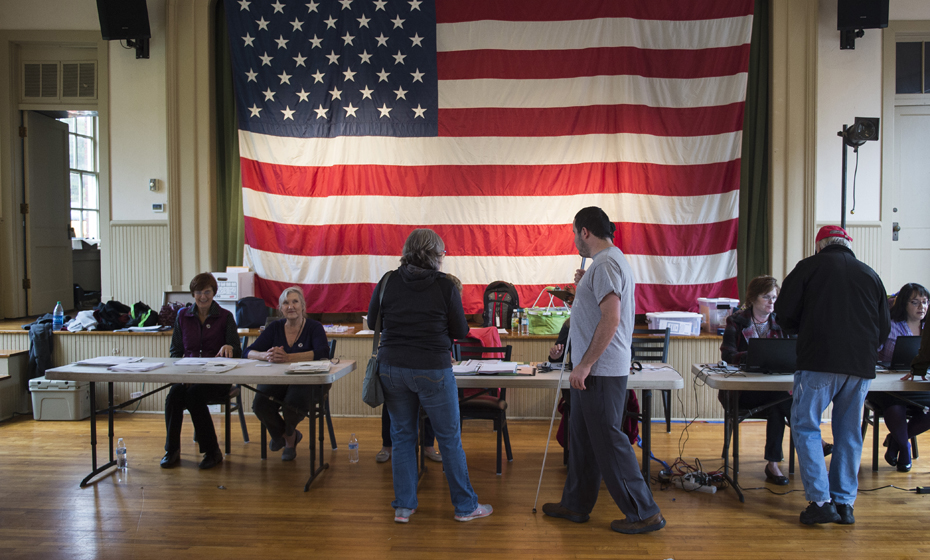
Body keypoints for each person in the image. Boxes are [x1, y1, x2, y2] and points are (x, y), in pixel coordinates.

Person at [543, 207, 665, 535]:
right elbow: (596, 312)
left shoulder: (607, 262)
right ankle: (576, 504)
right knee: (582, 438)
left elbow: (611, 318)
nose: (574, 240)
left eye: (574, 233)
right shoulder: (604, 264)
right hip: (596, 368)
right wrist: (582, 289)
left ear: (585, 231)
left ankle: (644, 512)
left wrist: (584, 365)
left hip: (600, 369)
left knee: (609, 440)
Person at [368, 228, 491, 523]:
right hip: (433, 369)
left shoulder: (387, 281)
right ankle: (465, 507)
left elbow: (374, 322)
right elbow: (460, 331)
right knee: (449, 438)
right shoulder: (445, 286)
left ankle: (404, 506)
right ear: (435, 255)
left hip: (393, 368)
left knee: (402, 436)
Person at [775, 225, 890, 525]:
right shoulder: (870, 274)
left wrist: (806, 326)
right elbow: (885, 329)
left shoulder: (808, 267)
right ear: (848, 245)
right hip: (861, 367)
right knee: (850, 434)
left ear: (820, 245)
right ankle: (844, 503)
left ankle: (820, 501)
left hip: (818, 361)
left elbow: (784, 314)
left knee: (806, 426)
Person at [719, 275, 832, 485]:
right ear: (752, 298)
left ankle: (773, 463)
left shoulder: (781, 321)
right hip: (742, 392)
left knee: (779, 403)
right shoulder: (736, 320)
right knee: (783, 400)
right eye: (766, 297)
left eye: (774, 297)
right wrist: (756, 355)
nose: (772, 302)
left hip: (774, 391)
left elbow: (795, 353)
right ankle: (814, 443)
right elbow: (727, 356)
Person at [162, 273, 242, 469]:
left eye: (207, 292)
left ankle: (212, 451)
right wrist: (184, 374)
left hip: (217, 378)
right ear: (193, 294)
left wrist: (230, 347)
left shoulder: (225, 317)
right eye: (199, 292)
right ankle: (172, 450)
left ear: (214, 293)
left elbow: (237, 350)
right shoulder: (183, 316)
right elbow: (175, 352)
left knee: (194, 395)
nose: (203, 296)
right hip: (188, 376)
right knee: (174, 396)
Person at [244, 287, 329, 461]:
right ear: (280, 308)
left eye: (295, 302)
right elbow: (247, 352)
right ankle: (288, 436)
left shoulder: (314, 327)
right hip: (278, 380)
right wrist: (265, 355)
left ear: (303, 306)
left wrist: (288, 357)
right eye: (286, 303)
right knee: (260, 403)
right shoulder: (274, 327)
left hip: (306, 381)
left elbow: (322, 353)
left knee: (292, 404)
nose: (290, 306)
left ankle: (286, 440)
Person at [868, 283, 929, 471]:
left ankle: (897, 439)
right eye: (915, 302)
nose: (922, 307)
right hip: (888, 385)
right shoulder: (890, 326)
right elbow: (871, 353)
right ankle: (904, 446)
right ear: (904, 304)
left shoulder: (928, 327)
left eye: (925, 302)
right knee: (895, 404)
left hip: (919, 382)